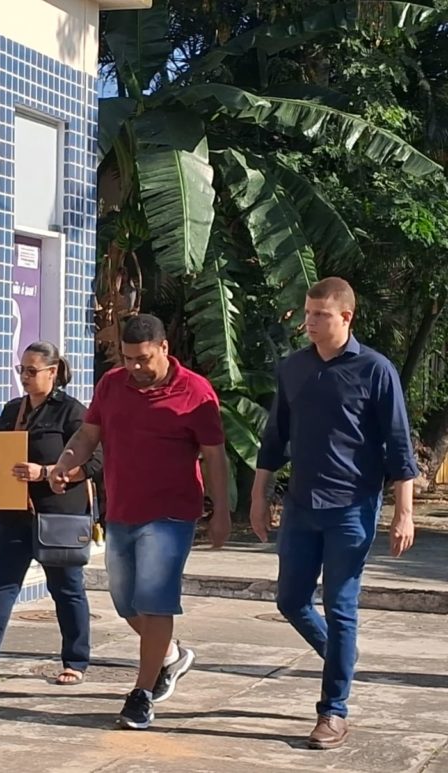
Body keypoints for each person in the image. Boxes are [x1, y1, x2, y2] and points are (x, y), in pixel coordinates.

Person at [249, 277, 417, 750]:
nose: (310, 322)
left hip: (353, 508)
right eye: (308, 313)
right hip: (301, 506)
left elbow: (399, 446)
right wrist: (259, 497)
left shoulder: (375, 370)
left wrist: (404, 513)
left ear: (346, 317)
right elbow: (274, 439)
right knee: (290, 601)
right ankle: (340, 658)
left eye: (320, 315)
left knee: (341, 607)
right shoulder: (294, 368)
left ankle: (333, 710)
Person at [49, 314, 230, 730]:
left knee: (154, 600)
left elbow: (214, 456)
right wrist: (65, 462)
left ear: (164, 348)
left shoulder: (195, 391)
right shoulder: (112, 384)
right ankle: (171, 655)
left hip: (171, 515)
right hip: (123, 510)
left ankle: (141, 695)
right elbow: (87, 435)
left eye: (143, 358)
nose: (135, 367)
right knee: (125, 601)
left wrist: (221, 510)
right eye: (128, 358)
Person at [0, 341, 103, 688]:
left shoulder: (72, 412)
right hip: (11, 511)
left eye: (32, 371)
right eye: (22, 370)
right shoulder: (12, 410)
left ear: (53, 372)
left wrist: (45, 472)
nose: (25, 377)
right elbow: (1, 450)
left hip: (56, 516)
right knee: (0, 586)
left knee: (66, 589)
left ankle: (76, 660)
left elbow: (95, 461)